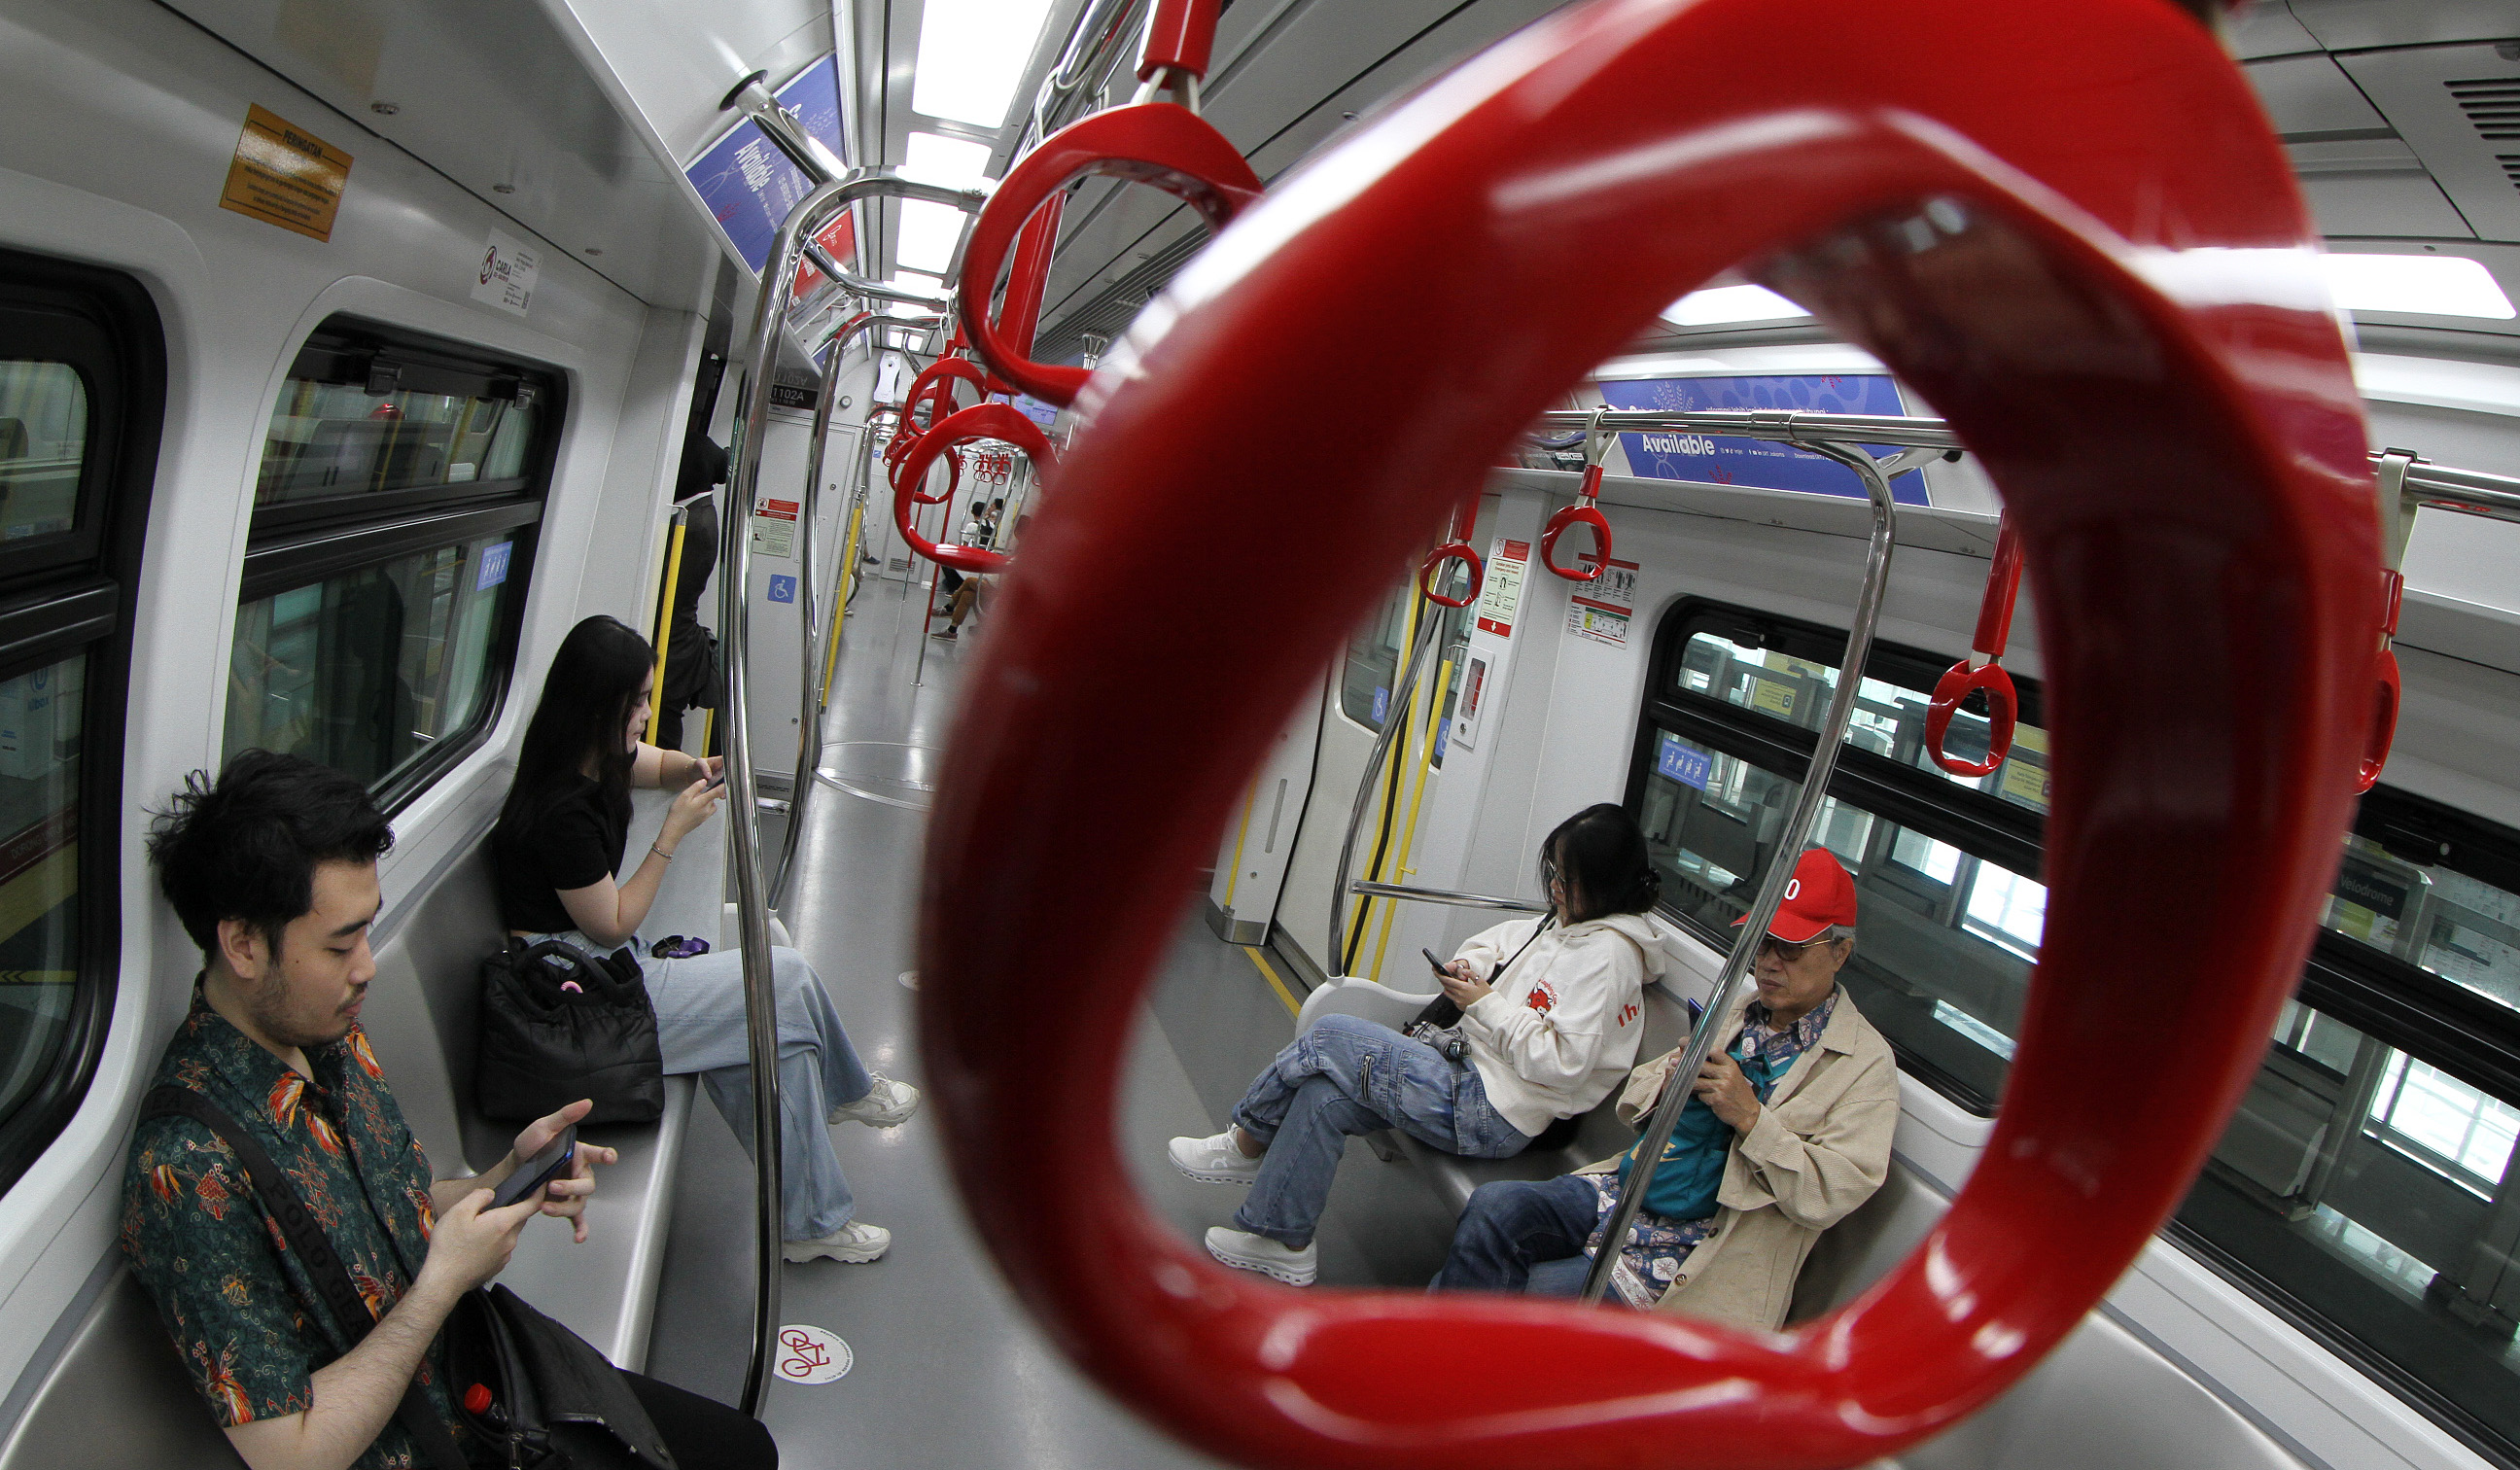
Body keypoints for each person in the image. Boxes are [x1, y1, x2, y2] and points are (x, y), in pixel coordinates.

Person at [122, 752, 779, 1470]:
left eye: (367, 931)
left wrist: (509, 1175)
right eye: (341, 944)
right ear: (244, 945)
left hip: (481, 1372)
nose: (367, 965)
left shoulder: (326, 1038)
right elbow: (290, 1452)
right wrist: (443, 1284)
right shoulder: (188, 1169)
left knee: (742, 1451)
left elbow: (400, 1206)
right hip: (426, 1440)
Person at [491, 615, 916, 1264]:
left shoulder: (584, 755)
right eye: (637, 702)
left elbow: (654, 765)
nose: (646, 714)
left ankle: (812, 1221)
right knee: (781, 974)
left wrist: (702, 768)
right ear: (599, 704)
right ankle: (853, 1099)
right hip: (579, 1006)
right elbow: (613, 922)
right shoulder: (561, 812)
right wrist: (673, 833)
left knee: (761, 1045)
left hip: (599, 977)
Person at [1169, 804, 1690, 1285]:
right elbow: (1501, 944)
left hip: (1495, 1110)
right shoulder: (1566, 923)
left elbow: (1561, 1065)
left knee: (1328, 1036)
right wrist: (1474, 969)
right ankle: (1279, 1239)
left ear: (1601, 883)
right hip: (1464, 1074)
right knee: (1323, 1095)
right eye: (1552, 872)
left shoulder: (1609, 959)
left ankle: (1247, 1140)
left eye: (1565, 878)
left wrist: (1483, 1005)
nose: (1553, 887)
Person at [1430, 848, 1899, 1327]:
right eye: (1761, 943)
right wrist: (1669, 1084)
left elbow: (1830, 1193)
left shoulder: (1863, 1067)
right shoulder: (1737, 1010)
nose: (1770, 963)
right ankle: (1446, 1374)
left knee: (1503, 1301)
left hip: (1695, 1253)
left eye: (1791, 949)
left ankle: (1453, 1374)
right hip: (1628, 1191)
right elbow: (1632, 1102)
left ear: (1840, 952)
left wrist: (1751, 1119)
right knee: (1493, 1209)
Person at [656, 435, 725, 752]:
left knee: (662, 733)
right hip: (679, 644)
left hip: (675, 648)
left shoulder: (692, 523)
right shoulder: (698, 512)